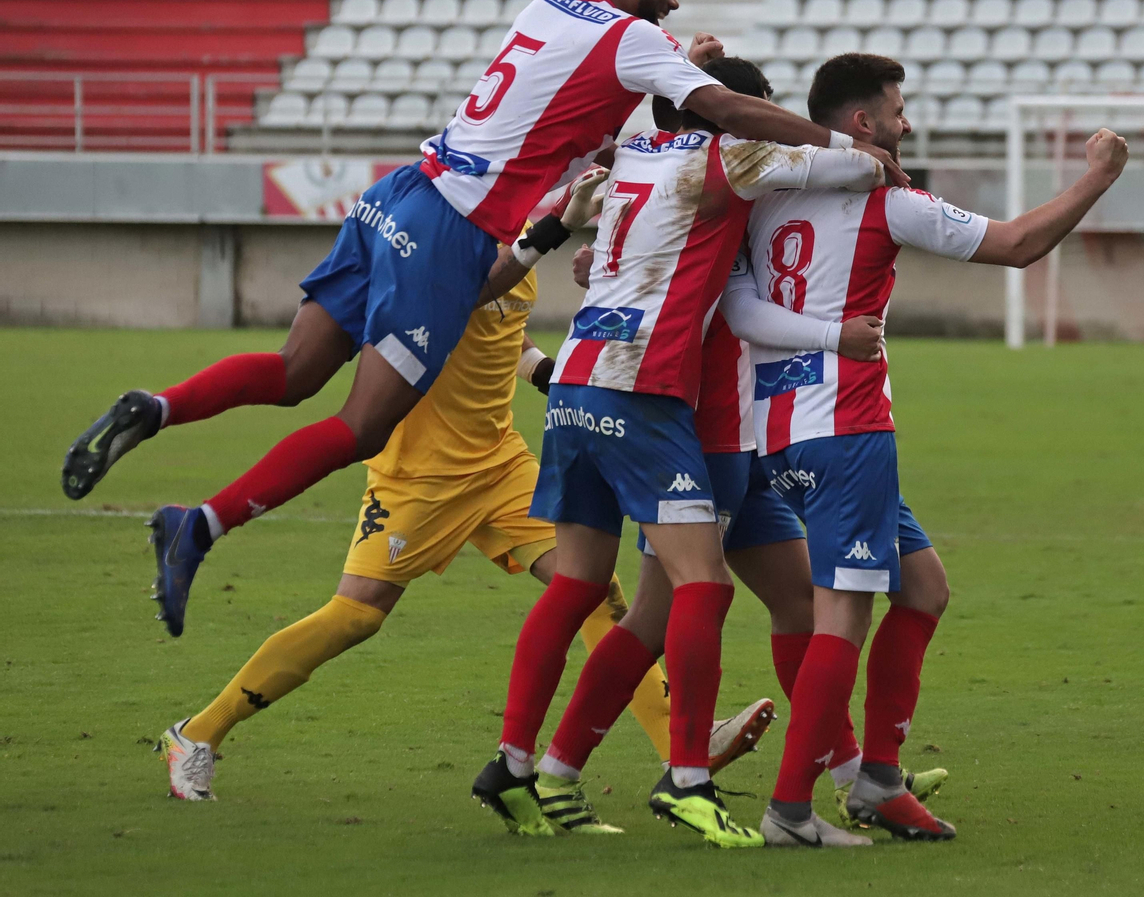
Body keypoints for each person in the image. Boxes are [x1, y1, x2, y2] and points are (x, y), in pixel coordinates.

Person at [59, 0, 905, 640]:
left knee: (292, 373)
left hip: (400, 191)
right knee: (362, 424)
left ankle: (158, 406)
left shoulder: (547, 6)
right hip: (450, 230)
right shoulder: (635, 37)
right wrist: (835, 146)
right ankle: (198, 525)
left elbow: (575, 100)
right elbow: (718, 110)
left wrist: (675, 57)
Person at [154, 244, 775, 804]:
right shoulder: (446, 248)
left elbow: (509, 337)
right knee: (356, 616)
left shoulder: (526, 241)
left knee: (591, 590)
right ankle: (196, 734)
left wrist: (549, 373)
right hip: (418, 476)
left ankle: (678, 744)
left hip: (500, 463)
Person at [477, 55, 894, 850]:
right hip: (688, 415)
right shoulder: (737, 164)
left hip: (585, 383)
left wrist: (687, 74)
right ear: (736, 114)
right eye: (753, 111)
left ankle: (539, 766)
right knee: (696, 596)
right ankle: (695, 778)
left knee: (623, 596)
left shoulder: (632, 155)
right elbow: (839, 167)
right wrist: (878, 159)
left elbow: (604, 196)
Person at [731, 53, 1127, 845]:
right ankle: (789, 809)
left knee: (923, 587)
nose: (907, 122)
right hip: (845, 430)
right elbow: (1016, 244)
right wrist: (1099, 178)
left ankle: (875, 778)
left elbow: (738, 301)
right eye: (897, 109)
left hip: (772, 430)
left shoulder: (765, 192)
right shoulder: (887, 199)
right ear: (863, 125)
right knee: (841, 617)